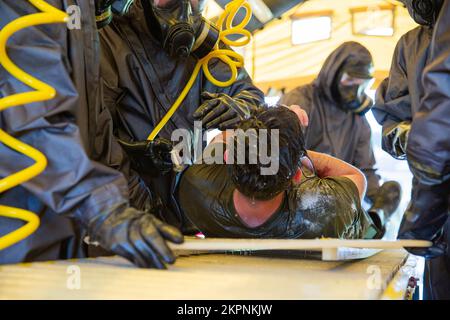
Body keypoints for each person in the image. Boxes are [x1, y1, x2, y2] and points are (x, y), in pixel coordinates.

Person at [0, 0, 183, 269]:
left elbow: (94, 124)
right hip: (18, 226)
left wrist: (132, 209)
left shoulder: (81, 9)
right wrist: (103, 208)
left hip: (66, 229)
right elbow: (31, 115)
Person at [97, 0, 264, 232]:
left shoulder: (204, 45)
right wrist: (139, 205)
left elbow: (252, 95)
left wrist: (242, 108)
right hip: (125, 218)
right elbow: (96, 137)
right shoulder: (106, 38)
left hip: (188, 216)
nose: (184, 7)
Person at [176, 106, 394, 239]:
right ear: (296, 175)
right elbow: (356, 178)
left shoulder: (194, 187)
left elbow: (220, 141)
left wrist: (263, 142)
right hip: (355, 232)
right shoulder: (324, 210)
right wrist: (289, 150)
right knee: (371, 224)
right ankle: (380, 216)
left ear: (226, 159)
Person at [280, 42, 401, 220]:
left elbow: (365, 170)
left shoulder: (358, 119)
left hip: (338, 206)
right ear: (333, 73)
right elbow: (283, 157)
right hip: (295, 203)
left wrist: (379, 205)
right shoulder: (300, 99)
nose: (354, 90)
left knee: (392, 190)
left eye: (362, 84)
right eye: (350, 80)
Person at [384, 0, 449, 300]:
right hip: (431, 192)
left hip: (431, 192)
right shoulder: (408, 46)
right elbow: (392, 116)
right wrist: (404, 136)